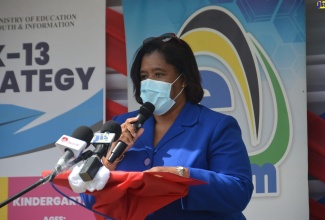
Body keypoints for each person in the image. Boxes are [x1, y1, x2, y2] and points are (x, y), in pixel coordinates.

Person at [83, 33, 253, 219]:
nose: (149, 83)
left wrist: (182, 176)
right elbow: (91, 201)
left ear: (184, 79)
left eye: (158, 74)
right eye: (144, 76)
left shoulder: (217, 127)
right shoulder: (120, 124)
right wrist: (109, 162)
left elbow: (238, 192)